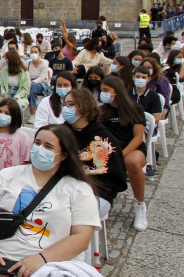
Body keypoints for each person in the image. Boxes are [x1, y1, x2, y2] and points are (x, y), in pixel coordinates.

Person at [0, 124, 100, 277]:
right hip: (1, 255)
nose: (40, 149)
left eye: (48, 146)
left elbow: (81, 237)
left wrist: (42, 259)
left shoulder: (79, 189)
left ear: (63, 155)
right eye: (37, 143)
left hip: (50, 262)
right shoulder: (7, 175)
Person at [62, 88, 127, 249]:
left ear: (84, 107)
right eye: (65, 104)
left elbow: (115, 180)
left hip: (97, 194)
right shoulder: (61, 133)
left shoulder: (103, 139)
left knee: (74, 219)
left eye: (71, 104)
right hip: (63, 190)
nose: (66, 108)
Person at [99, 75, 149, 231]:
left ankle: (140, 204)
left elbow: (138, 137)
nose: (103, 94)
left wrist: (120, 154)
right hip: (109, 148)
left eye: (106, 90)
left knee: (132, 163)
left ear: (116, 91)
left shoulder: (134, 108)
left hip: (132, 148)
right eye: (102, 91)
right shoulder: (102, 111)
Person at [0, 98, 31, 182]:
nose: (2, 115)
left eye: (7, 113)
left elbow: (26, 162)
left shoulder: (22, 137)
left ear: (14, 117)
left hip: (17, 181)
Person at [27, 45, 51, 116]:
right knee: (32, 94)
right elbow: (25, 75)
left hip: (42, 84)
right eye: (32, 52)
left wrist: (33, 82)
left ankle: (25, 99)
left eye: (35, 52)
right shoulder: (28, 64)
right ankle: (33, 113)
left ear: (39, 53)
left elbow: (42, 77)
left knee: (33, 86)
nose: (33, 53)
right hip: (30, 85)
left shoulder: (44, 64)